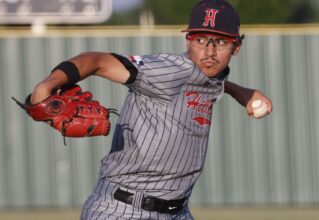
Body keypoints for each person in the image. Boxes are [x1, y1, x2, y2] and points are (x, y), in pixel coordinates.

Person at [30, 0, 272, 219]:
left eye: (220, 42)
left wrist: (244, 93)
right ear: (188, 40)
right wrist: (48, 85)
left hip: (178, 211)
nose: (209, 52)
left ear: (236, 46)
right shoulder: (167, 70)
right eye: (200, 40)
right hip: (122, 210)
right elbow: (96, 60)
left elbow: (211, 81)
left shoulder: (208, 75)